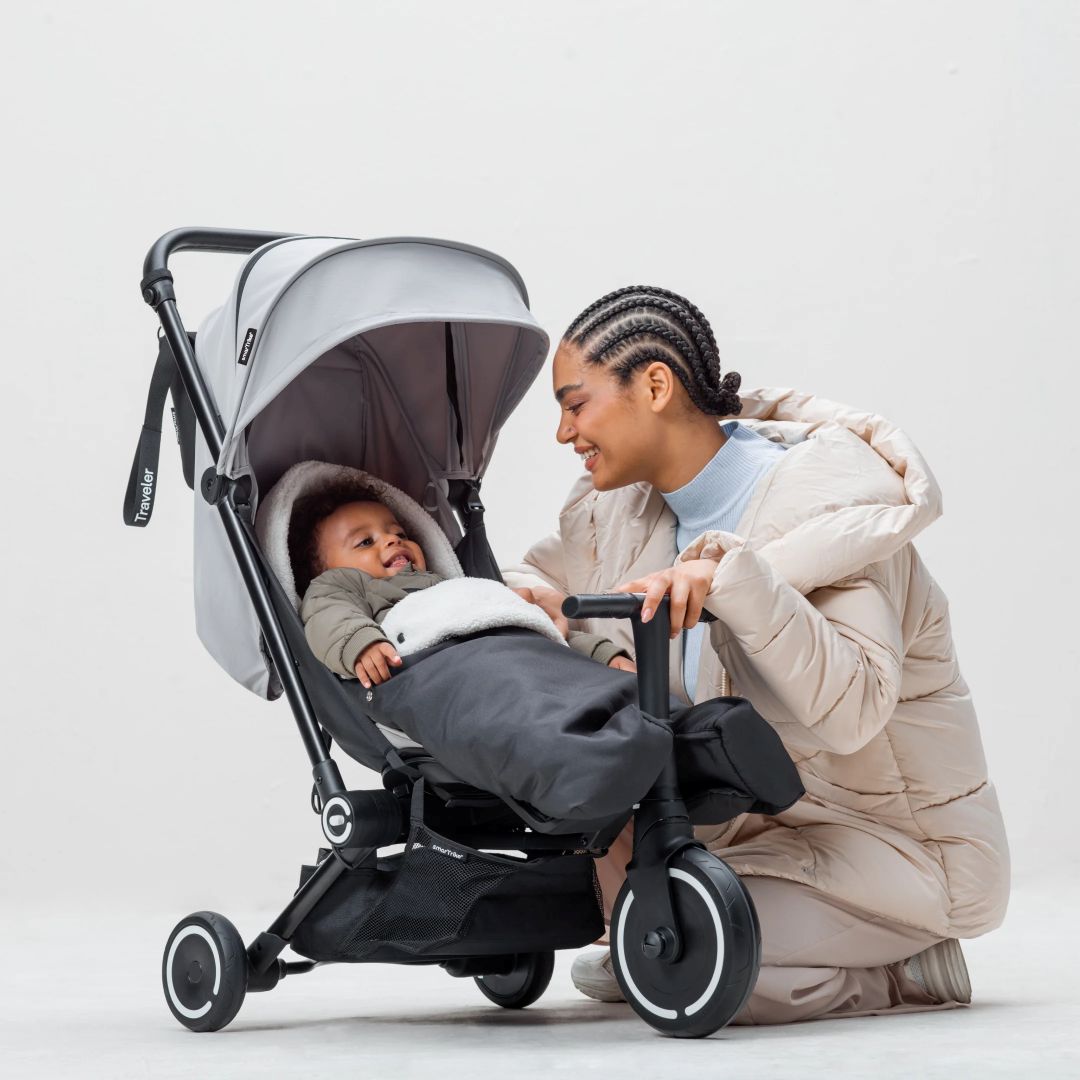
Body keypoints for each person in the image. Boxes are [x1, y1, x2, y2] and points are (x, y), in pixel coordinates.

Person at [504, 285, 1009, 1024]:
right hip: (758, 831)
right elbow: (537, 574)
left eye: (575, 404)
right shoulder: (626, 510)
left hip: (896, 852)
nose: (562, 432)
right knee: (642, 927)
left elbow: (855, 709)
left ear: (653, 385)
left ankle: (908, 969)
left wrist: (732, 580)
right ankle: (698, 950)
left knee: (690, 964)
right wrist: (539, 610)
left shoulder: (832, 512)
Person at [288, 480, 633, 687]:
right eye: (365, 542)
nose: (392, 541)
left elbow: (528, 627)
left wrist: (601, 654)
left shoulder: (452, 589)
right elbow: (327, 615)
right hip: (455, 674)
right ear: (324, 572)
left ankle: (672, 725)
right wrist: (360, 644)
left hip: (520, 659)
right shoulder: (341, 587)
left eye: (400, 533)